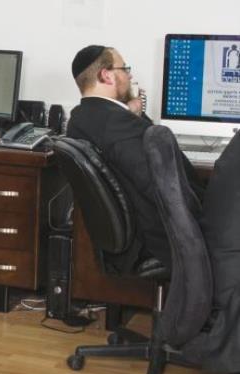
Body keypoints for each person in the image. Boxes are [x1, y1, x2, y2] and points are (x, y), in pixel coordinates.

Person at [66, 45, 202, 273]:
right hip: (158, 239)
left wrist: (132, 113)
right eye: (125, 69)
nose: (130, 75)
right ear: (106, 75)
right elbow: (161, 185)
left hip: (127, 240)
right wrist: (200, 212)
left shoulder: (80, 119)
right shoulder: (118, 124)